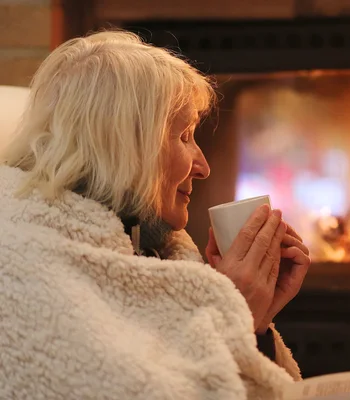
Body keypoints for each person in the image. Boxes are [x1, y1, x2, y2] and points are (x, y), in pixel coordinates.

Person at [0, 30, 310, 399]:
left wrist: (249, 321)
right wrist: (235, 309)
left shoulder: (150, 244)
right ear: (124, 147)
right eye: (184, 137)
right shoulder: (21, 262)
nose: (203, 166)